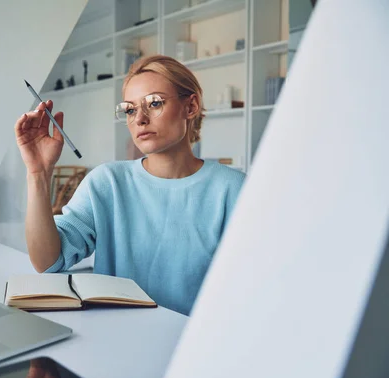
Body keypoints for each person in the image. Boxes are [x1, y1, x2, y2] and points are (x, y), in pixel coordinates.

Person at [13, 55, 245, 315]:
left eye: (154, 103)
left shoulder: (235, 189)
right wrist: (38, 173)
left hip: (194, 345)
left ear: (190, 107)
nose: (140, 119)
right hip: (117, 338)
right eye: (131, 110)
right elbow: (47, 262)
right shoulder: (107, 182)